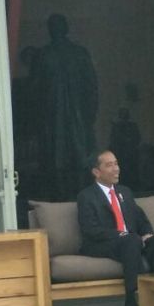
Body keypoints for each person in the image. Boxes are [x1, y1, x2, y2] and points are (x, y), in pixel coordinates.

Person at [77, 151, 154, 306]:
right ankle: (133, 302)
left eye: (116, 163)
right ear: (96, 172)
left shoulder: (124, 192)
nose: (116, 169)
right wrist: (122, 235)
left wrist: (147, 234)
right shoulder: (86, 196)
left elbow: (141, 219)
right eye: (109, 165)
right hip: (102, 243)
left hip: (130, 241)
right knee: (131, 241)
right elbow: (91, 230)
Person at [31, 13, 98, 201]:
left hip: (69, 118)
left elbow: (91, 87)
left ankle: (77, 198)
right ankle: (65, 198)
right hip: (57, 118)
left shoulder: (72, 54)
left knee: (73, 159)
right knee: (61, 160)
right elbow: (35, 92)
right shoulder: (45, 55)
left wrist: (88, 116)